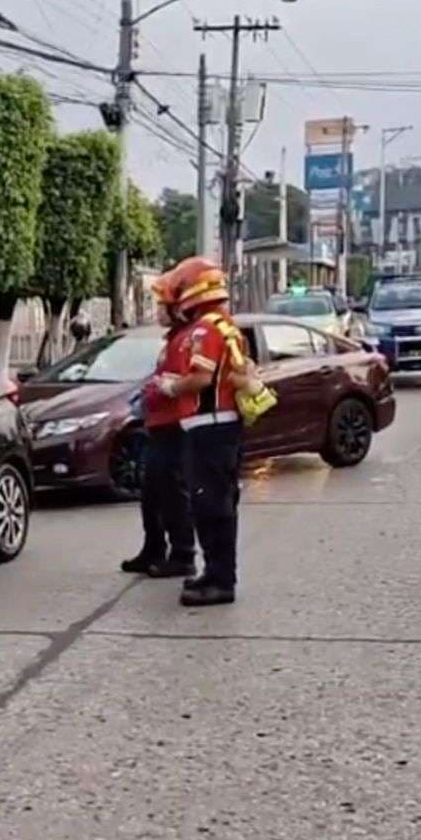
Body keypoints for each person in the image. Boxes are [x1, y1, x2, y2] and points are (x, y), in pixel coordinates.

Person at [154, 257, 250, 607]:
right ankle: (216, 572)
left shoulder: (204, 330)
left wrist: (170, 388)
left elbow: (201, 379)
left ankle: (220, 580)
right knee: (217, 503)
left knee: (211, 505)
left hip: (209, 427)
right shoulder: (225, 325)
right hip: (221, 427)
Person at [119, 269, 198, 581]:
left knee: (172, 492)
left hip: (174, 426)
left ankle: (183, 554)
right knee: (151, 493)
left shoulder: (183, 341)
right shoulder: (173, 339)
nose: (156, 311)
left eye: (161, 305)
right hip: (159, 423)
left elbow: (179, 382)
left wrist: (158, 389)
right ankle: (153, 548)